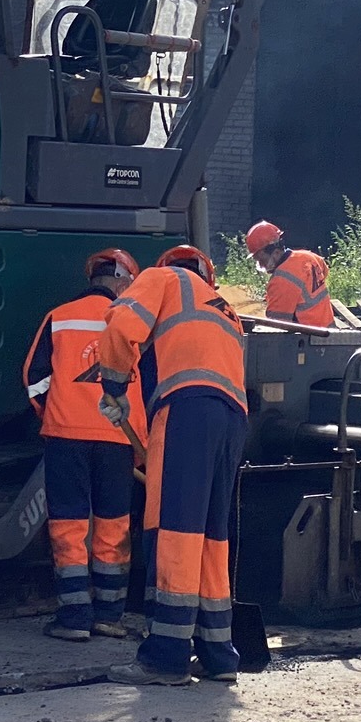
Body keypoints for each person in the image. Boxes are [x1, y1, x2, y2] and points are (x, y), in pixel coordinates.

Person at [95, 243, 248, 686]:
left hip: (188, 411)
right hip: (231, 419)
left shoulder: (163, 279)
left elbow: (122, 324)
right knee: (210, 537)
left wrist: (115, 388)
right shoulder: (225, 308)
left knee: (174, 530)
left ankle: (166, 656)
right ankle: (218, 656)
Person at [23, 249, 151, 643]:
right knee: (114, 526)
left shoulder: (59, 317)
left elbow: (34, 377)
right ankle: (109, 615)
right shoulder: (135, 322)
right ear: (124, 281)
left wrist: (55, 412)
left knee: (68, 526)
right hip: (118, 439)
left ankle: (75, 618)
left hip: (66, 438)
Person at [244, 221, 333, 327]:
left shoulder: (281, 279)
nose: (260, 264)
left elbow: (276, 325)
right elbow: (324, 272)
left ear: (275, 252)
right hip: (329, 329)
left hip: (308, 338)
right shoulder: (308, 256)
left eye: (260, 259)